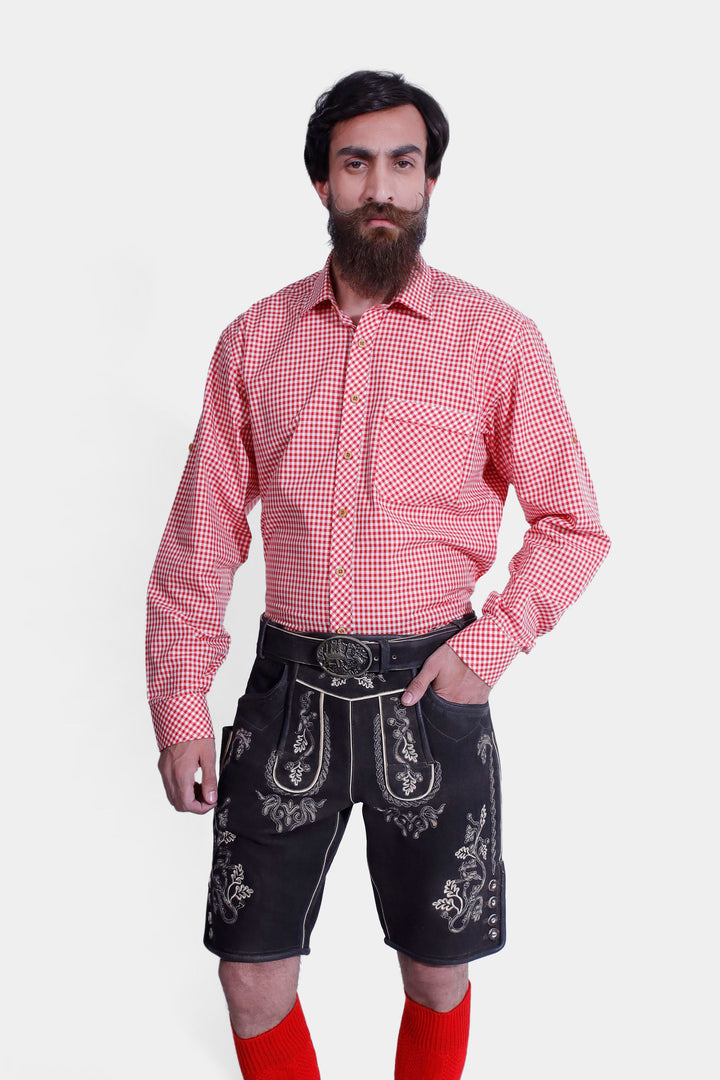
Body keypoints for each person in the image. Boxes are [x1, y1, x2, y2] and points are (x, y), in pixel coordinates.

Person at [147, 70, 610, 1080]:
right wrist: (182, 706)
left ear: (432, 179)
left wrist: (485, 651)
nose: (382, 187)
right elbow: (198, 544)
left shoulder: (498, 341)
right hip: (285, 699)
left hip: (430, 694)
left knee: (438, 970)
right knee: (249, 972)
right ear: (323, 183)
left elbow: (576, 524)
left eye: (404, 163)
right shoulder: (255, 342)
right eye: (357, 163)